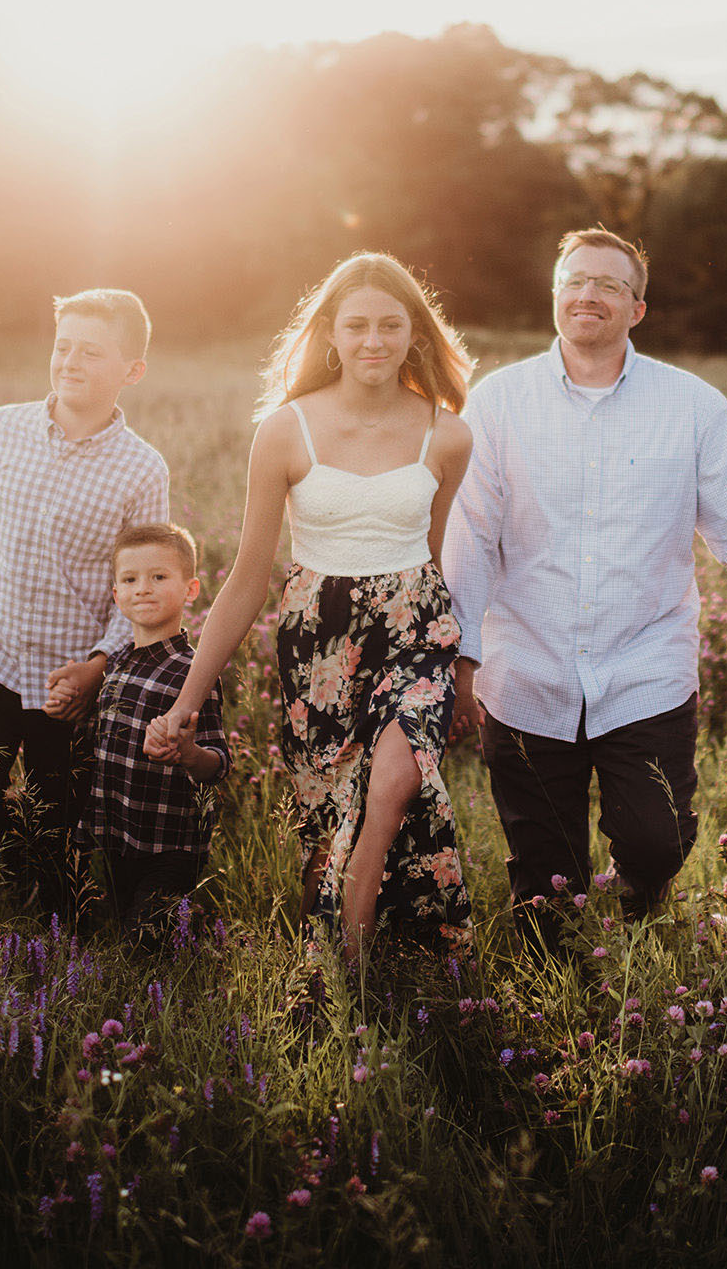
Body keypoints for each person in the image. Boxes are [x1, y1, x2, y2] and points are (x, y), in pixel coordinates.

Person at [444, 227, 727, 941]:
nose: (586, 294)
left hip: (645, 669)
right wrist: (460, 658)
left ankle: (644, 934)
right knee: (545, 887)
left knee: (657, 845)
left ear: (638, 309)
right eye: (572, 279)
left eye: (608, 284)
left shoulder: (691, 406)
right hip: (526, 669)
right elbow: (470, 538)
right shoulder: (497, 403)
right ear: (554, 293)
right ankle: (559, 1011)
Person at [154, 253, 474, 970]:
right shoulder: (285, 431)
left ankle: (346, 963)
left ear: (414, 333)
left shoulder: (446, 434)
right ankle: (331, 936)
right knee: (329, 812)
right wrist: (185, 703)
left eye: (391, 325)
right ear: (330, 332)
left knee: (395, 782)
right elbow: (245, 579)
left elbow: (433, 555)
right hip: (318, 639)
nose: (373, 341)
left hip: (415, 627)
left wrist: (466, 668)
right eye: (357, 325)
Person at [0, 289, 168, 914]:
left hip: (66, 684)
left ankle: (53, 888)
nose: (69, 361)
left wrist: (97, 669)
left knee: (58, 836)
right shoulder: (3, 428)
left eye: (91, 352)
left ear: (132, 371)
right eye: (62, 346)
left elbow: (142, 592)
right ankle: (31, 863)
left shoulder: (141, 468)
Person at [75, 523, 229, 943]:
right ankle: (183, 922)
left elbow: (218, 764)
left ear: (190, 589)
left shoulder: (194, 673)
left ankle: (202, 934)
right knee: (123, 922)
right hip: (117, 832)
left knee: (148, 942)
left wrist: (189, 752)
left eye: (159, 577)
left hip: (170, 842)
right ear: (116, 595)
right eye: (130, 579)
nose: (143, 589)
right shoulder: (119, 660)